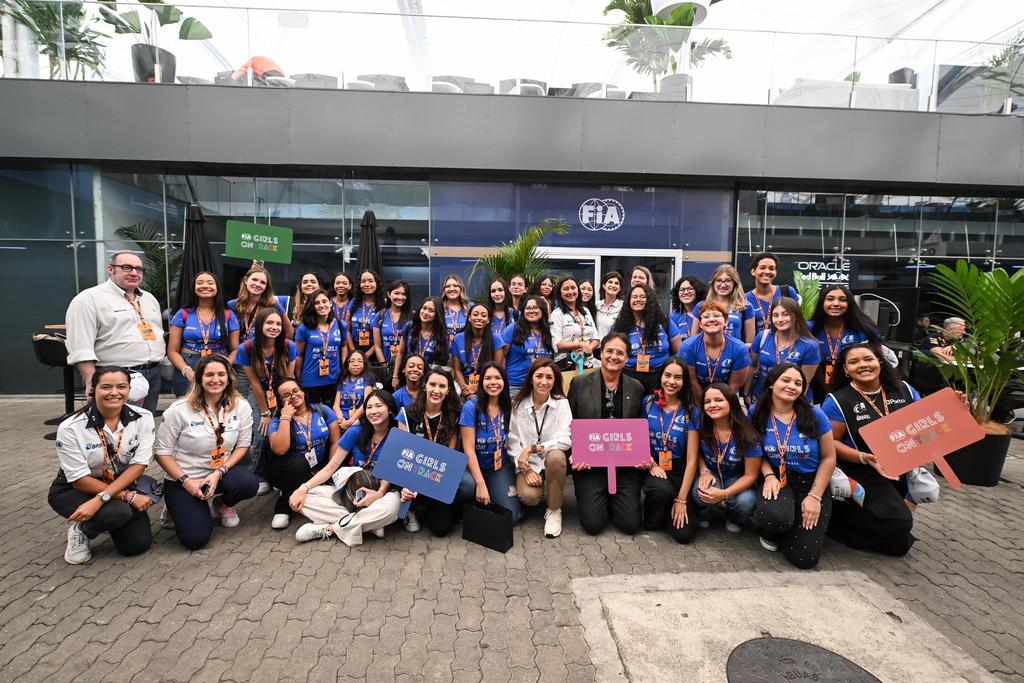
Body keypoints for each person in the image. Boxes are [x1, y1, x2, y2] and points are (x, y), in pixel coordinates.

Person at [821, 343, 925, 556]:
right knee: (899, 525)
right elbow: (830, 443)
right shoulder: (837, 400)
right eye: (854, 362)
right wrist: (864, 458)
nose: (862, 365)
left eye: (868, 359)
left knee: (899, 546)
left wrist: (957, 407)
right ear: (845, 370)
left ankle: (860, 520)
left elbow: (925, 423)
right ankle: (836, 520)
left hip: (899, 467)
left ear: (879, 361)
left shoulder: (904, 389)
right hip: (861, 469)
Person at [50, 366, 156, 564]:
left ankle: (102, 519)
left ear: (129, 390)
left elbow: (139, 465)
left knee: (136, 545)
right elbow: (80, 481)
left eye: (121, 387)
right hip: (76, 488)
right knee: (118, 512)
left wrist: (103, 498)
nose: (114, 392)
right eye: (106, 387)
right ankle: (82, 530)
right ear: (93, 389)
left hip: (120, 482)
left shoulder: (144, 418)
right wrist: (127, 496)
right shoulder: (71, 427)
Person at [155, 354, 258, 550]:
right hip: (185, 477)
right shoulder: (178, 410)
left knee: (248, 484)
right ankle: (176, 505)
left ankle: (222, 504)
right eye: (209, 374)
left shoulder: (241, 406)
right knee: (196, 540)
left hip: (218, 472)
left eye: (221, 374)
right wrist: (187, 482)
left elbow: (243, 445)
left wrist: (219, 473)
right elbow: (161, 453)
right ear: (199, 378)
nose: (216, 380)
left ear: (229, 377)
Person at [750, 364, 836, 569]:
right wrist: (769, 475)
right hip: (777, 478)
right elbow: (754, 452)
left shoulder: (815, 414)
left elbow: (829, 458)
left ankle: (797, 526)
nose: (792, 386)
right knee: (775, 518)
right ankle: (774, 528)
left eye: (798, 383)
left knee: (804, 559)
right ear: (771, 384)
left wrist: (815, 497)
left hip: (811, 481)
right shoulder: (757, 412)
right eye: (785, 380)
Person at [291, 390, 403, 546]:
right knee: (305, 499)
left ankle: (329, 528)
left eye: (379, 406)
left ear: (390, 409)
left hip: (382, 492)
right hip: (351, 491)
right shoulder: (356, 431)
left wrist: (378, 494)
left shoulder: (398, 434)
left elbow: (392, 473)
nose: (373, 411)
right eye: (369, 407)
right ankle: (369, 524)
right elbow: (332, 467)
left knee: (392, 509)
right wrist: (303, 488)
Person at [65, 251, 165, 412]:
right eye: (127, 267)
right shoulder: (89, 299)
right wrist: (91, 382)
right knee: (113, 429)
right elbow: (80, 347)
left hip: (152, 374)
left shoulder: (149, 299)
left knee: (144, 426)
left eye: (139, 269)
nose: (134, 273)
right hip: (114, 377)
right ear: (110, 269)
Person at [567, 333, 646, 535]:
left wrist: (642, 456)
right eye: (609, 351)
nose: (614, 356)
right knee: (593, 525)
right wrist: (574, 453)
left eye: (620, 353)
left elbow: (639, 430)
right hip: (589, 464)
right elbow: (568, 423)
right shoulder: (580, 383)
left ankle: (615, 500)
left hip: (624, 464)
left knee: (631, 525)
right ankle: (599, 498)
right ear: (600, 353)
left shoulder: (636, 388)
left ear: (627, 358)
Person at [508, 359, 572, 538]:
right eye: (539, 376)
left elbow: (566, 439)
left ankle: (554, 510)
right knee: (529, 498)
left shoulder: (561, 403)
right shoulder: (518, 404)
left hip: (551, 459)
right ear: (530, 379)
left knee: (557, 457)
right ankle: (543, 486)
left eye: (549, 377)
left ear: (555, 380)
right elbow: (513, 441)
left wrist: (534, 448)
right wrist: (525, 469)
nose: (544, 382)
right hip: (529, 464)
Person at [266, 378, 339, 530]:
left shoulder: (323, 410)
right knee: (298, 464)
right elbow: (280, 449)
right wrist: (286, 417)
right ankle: (283, 508)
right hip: (287, 470)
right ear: (280, 400)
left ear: (302, 391)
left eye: (295, 391)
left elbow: (335, 443)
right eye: (286, 395)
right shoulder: (276, 421)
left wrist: (330, 469)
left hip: (317, 467)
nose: (292, 395)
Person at [397, 366, 463, 535]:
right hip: (411, 472)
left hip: (438, 475)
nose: (436, 390)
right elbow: (402, 452)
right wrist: (407, 485)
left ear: (448, 391)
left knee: (441, 529)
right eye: (432, 384)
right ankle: (410, 509)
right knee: (399, 483)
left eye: (442, 386)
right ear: (424, 385)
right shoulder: (407, 413)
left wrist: (431, 483)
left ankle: (439, 505)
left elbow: (450, 456)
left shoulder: (453, 415)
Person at [641, 358, 700, 544]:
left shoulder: (691, 410)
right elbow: (638, 438)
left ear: (684, 382)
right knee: (659, 494)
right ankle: (660, 511)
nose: (671, 382)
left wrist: (682, 500)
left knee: (683, 535)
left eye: (678, 377)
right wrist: (650, 463)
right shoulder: (648, 403)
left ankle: (674, 505)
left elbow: (692, 459)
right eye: (667, 375)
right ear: (661, 377)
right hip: (653, 464)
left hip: (680, 468)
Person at [234, 308, 297, 480]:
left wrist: (285, 408)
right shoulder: (246, 348)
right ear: (260, 324)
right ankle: (256, 475)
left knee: (287, 430)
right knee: (262, 435)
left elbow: (288, 380)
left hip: (284, 393)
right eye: (269, 322)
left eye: (278, 323)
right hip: (259, 394)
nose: (274, 327)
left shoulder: (288, 346)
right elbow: (254, 383)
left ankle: (280, 473)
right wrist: (265, 413)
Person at [459, 362, 523, 524]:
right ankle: (466, 504)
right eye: (488, 378)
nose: (493, 382)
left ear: (504, 382)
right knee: (468, 487)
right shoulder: (470, 407)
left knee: (512, 516)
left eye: (498, 378)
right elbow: (468, 449)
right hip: (472, 467)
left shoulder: (508, 406)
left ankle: (490, 494)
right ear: (481, 382)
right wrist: (480, 483)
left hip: (497, 467)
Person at [691, 383, 760, 532]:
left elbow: (751, 475)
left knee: (746, 501)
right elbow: (694, 452)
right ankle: (705, 515)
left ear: (731, 402)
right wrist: (704, 471)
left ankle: (734, 517)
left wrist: (724, 494)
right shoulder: (702, 424)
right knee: (699, 491)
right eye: (707, 401)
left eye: (718, 400)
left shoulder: (747, 434)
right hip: (711, 473)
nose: (712, 405)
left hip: (737, 477)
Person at [168, 271, 240, 397]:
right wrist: (187, 371)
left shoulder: (228, 315)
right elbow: (172, 351)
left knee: (216, 406)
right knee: (188, 409)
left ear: (217, 287)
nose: (205, 286)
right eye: (199, 283)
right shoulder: (183, 313)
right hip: (188, 365)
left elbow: (235, 349)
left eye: (210, 283)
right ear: (194, 288)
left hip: (219, 364)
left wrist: (225, 367)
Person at [809, 285, 884, 397]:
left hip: (857, 385)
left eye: (842, 299)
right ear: (822, 303)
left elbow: (874, 361)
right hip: (817, 387)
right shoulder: (811, 328)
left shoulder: (863, 328)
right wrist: (827, 388)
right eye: (830, 299)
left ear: (850, 304)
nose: (836, 303)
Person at [748, 298, 820, 401]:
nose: (780, 319)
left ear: (796, 316)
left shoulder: (810, 346)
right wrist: (746, 393)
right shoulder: (763, 336)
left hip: (791, 401)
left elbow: (804, 383)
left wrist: (793, 407)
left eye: (785, 314)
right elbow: (751, 366)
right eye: (775, 315)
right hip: (761, 399)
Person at [680, 300, 752, 403]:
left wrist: (717, 405)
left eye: (717, 315)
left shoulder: (739, 349)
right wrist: (705, 406)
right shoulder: (688, 347)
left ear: (726, 321)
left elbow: (734, 386)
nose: (711, 319)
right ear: (700, 323)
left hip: (726, 400)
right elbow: (692, 384)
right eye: (706, 317)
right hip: (695, 400)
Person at [613, 284, 678, 395]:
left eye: (642, 297)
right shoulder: (620, 325)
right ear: (628, 301)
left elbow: (678, 352)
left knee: (655, 410)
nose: (638, 299)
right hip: (629, 376)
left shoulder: (664, 321)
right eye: (634, 297)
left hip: (659, 376)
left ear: (649, 300)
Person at [293, 289, 347, 405]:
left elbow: (343, 346)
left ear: (330, 303)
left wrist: (343, 368)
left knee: (332, 415)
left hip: (334, 380)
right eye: (316, 303)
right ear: (311, 306)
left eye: (324, 301)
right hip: (310, 381)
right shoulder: (304, 328)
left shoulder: (341, 325)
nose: (321, 305)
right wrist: (299, 380)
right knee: (314, 417)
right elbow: (298, 356)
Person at [502, 295, 554, 395]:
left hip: (539, 386)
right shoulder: (513, 328)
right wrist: (501, 380)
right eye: (528, 308)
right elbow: (501, 357)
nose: (531, 311)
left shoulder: (548, 331)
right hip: (515, 386)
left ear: (542, 310)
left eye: (535, 308)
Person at [452, 303, 506, 396]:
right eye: (475, 314)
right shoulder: (458, 338)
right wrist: (467, 393)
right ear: (469, 318)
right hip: (464, 384)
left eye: (484, 315)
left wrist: (481, 389)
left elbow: (498, 369)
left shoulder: (496, 339)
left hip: (488, 383)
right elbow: (457, 370)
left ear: (488, 320)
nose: (479, 318)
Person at [227, 264, 291, 342]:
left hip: (262, 352)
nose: (257, 284)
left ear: (267, 286)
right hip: (238, 352)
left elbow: (289, 333)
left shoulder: (273, 305)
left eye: (263, 282)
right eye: (254, 279)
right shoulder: (232, 305)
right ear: (246, 280)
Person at [692, 264, 754, 343]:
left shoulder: (745, 307)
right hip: (706, 354)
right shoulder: (701, 306)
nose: (723, 284)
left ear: (735, 283)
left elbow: (750, 343)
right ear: (713, 283)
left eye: (728, 280)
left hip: (734, 354)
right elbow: (693, 341)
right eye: (719, 280)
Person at [549, 277, 599, 374]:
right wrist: (580, 344)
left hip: (588, 363)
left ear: (578, 290)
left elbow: (596, 339)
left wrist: (588, 349)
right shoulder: (557, 314)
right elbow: (557, 344)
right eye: (566, 289)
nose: (570, 291)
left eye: (573, 288)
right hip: (566, 364)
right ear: (560, 293)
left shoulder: (586, 311)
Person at [746, 252, 800, 333]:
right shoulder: (745, 299)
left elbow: (798, 321)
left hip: (785, 343)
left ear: (776, 272)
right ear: (753, 271)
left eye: (771, 268)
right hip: (757, 344)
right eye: (762, 267)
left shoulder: (787, 292)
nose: (767, 271)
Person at [374, 279, 413, 390]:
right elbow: (377, 346)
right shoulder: (380, 316)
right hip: (385, 365)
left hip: (405, 368)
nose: (400, 297)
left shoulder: (412, 317)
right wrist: (383, 365)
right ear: (388, 294)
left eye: (404, 294)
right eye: (396, 293)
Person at [400, 296, 450, 368]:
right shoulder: (409, 326)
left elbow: (441, 362)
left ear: (437, 314)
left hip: (430, 376)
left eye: (431, 311)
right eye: (424, 308)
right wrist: (395, 376)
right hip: (409, 374)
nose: (426, 312)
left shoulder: (442, 335)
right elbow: (401, 353)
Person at [332, 350, 374, 432]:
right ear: (347, 364)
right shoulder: (343, 379)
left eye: (360, 361)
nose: (356, 364)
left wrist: (350, 422)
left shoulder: (367, 379)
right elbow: (335, 406)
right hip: (342, 419)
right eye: (352, 361)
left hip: (360, 418)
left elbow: (366, 404)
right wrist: (342, 420)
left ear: (364, 364)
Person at [348, 269, 383, 361]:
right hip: (354, 349)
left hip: (375, 350)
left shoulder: (383, 304)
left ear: (377, 283)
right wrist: (354, 352)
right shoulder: (353, 302)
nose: (367, 284)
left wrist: (367, 354)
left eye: (370, 281)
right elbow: (347, 330)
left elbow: (383, 333)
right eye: (363, 281)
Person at [669, 275, 707, 348]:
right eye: (682, 290)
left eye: (690, 289)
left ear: (698, 291)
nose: (686, 292)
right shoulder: (673, 317)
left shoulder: (707, 314)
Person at [441, 274, 470, 346]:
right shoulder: (438, 307)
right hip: (443, 350)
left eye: (455, 286)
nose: (451, 289)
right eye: (448, 286)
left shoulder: (470, 308)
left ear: (461, 288)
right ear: (444, 289)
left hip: (464, 350)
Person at [595, 271, 624, 339]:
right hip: (597, 347)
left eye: (616, 283)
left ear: (619, 288)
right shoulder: (597, 305)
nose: (613, 285)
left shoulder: (623, 306)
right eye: (610, 282)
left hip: (614, 347)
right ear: (604, 285)